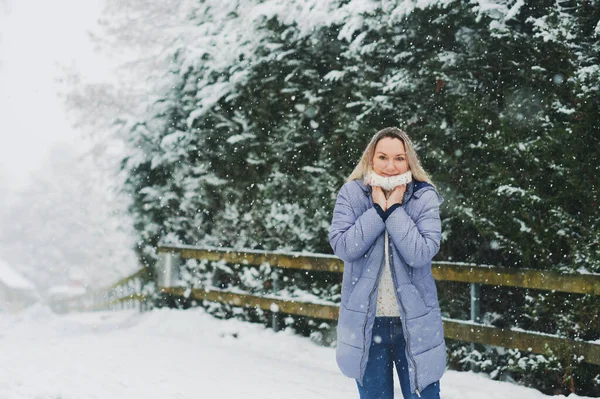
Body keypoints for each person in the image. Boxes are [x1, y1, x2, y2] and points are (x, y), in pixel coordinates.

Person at [329, 127, 446, 399]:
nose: (391, 166)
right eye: (383, 157)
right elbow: (345, 247)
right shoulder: (352, 194)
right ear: (371, 158)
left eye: (399, 158)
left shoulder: (423, 197)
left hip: (415, 324)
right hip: (367, 325)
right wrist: (376, 210)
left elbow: (421, 252)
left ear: (409, 161)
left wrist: (393, 210)